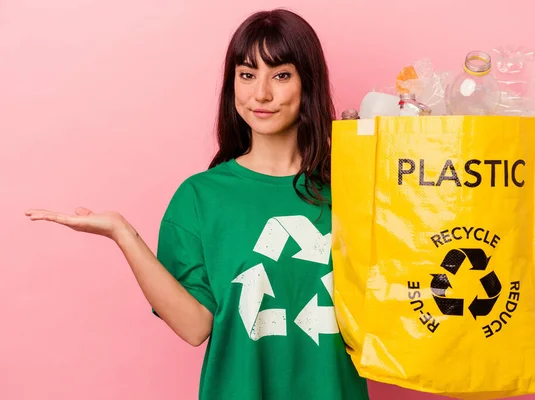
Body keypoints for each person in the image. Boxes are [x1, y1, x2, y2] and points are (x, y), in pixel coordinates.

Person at [25, 8, 370, 400]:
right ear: (232, 85)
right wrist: (123, 233)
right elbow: (194, 326)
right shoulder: (200, 198)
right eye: (246, 74)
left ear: (308, 83)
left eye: (281, 75)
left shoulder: (353, 185)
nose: (261, 93)